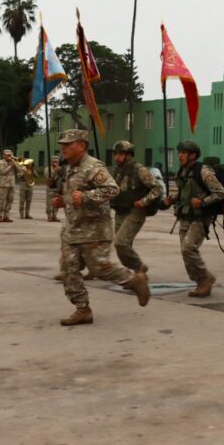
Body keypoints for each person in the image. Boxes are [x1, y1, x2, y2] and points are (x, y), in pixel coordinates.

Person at [50, 129, 149, 326]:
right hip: (73, 228)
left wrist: (86, 197)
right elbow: (76, 195)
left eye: (68, 144)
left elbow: (112, 189)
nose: (63, 148)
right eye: (62, 145)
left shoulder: (93, 167)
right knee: (69, 269)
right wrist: (65, 201)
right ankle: (82, 309)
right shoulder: (70, 167)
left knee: (100, 268)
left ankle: (133, 281)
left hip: (94, 228)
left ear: (82, 145)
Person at [166, 140, 224, 297]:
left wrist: (203, 201)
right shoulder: (182, 171)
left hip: (201, 217)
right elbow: (183, 192)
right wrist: (172, 198)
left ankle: (205, 278)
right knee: (185, 251)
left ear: (193, 155)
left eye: (184, 152)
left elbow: (220, 192)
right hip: (185, 215)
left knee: (188, 248)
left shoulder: (204, 171)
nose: (180, 155)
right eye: (179, 152)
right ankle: (201, 281)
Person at [110, 141, 164, 274]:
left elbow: (157, 188)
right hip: (120, 210)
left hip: (135, 211)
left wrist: (144, 201)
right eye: (115, 154)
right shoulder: (117, 171)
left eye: (120, 154)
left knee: (120, 242)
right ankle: (135, 271)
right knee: (122, 246)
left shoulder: (140, 170)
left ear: (129, 155)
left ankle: (139, 267)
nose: (117, 157)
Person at [0, 150, 17, 223]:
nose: (9, 156)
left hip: (11, 184)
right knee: (2, 200)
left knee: (10, 200)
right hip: (4, 184)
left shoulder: (13, 162)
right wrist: (10, 166)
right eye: (7, 155)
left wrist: (16, 165)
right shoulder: (0, 163)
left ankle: (6, 216)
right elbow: (3, 172)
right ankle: (0, 215)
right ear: (3, 155)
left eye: (10, 155)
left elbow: (20, 171)